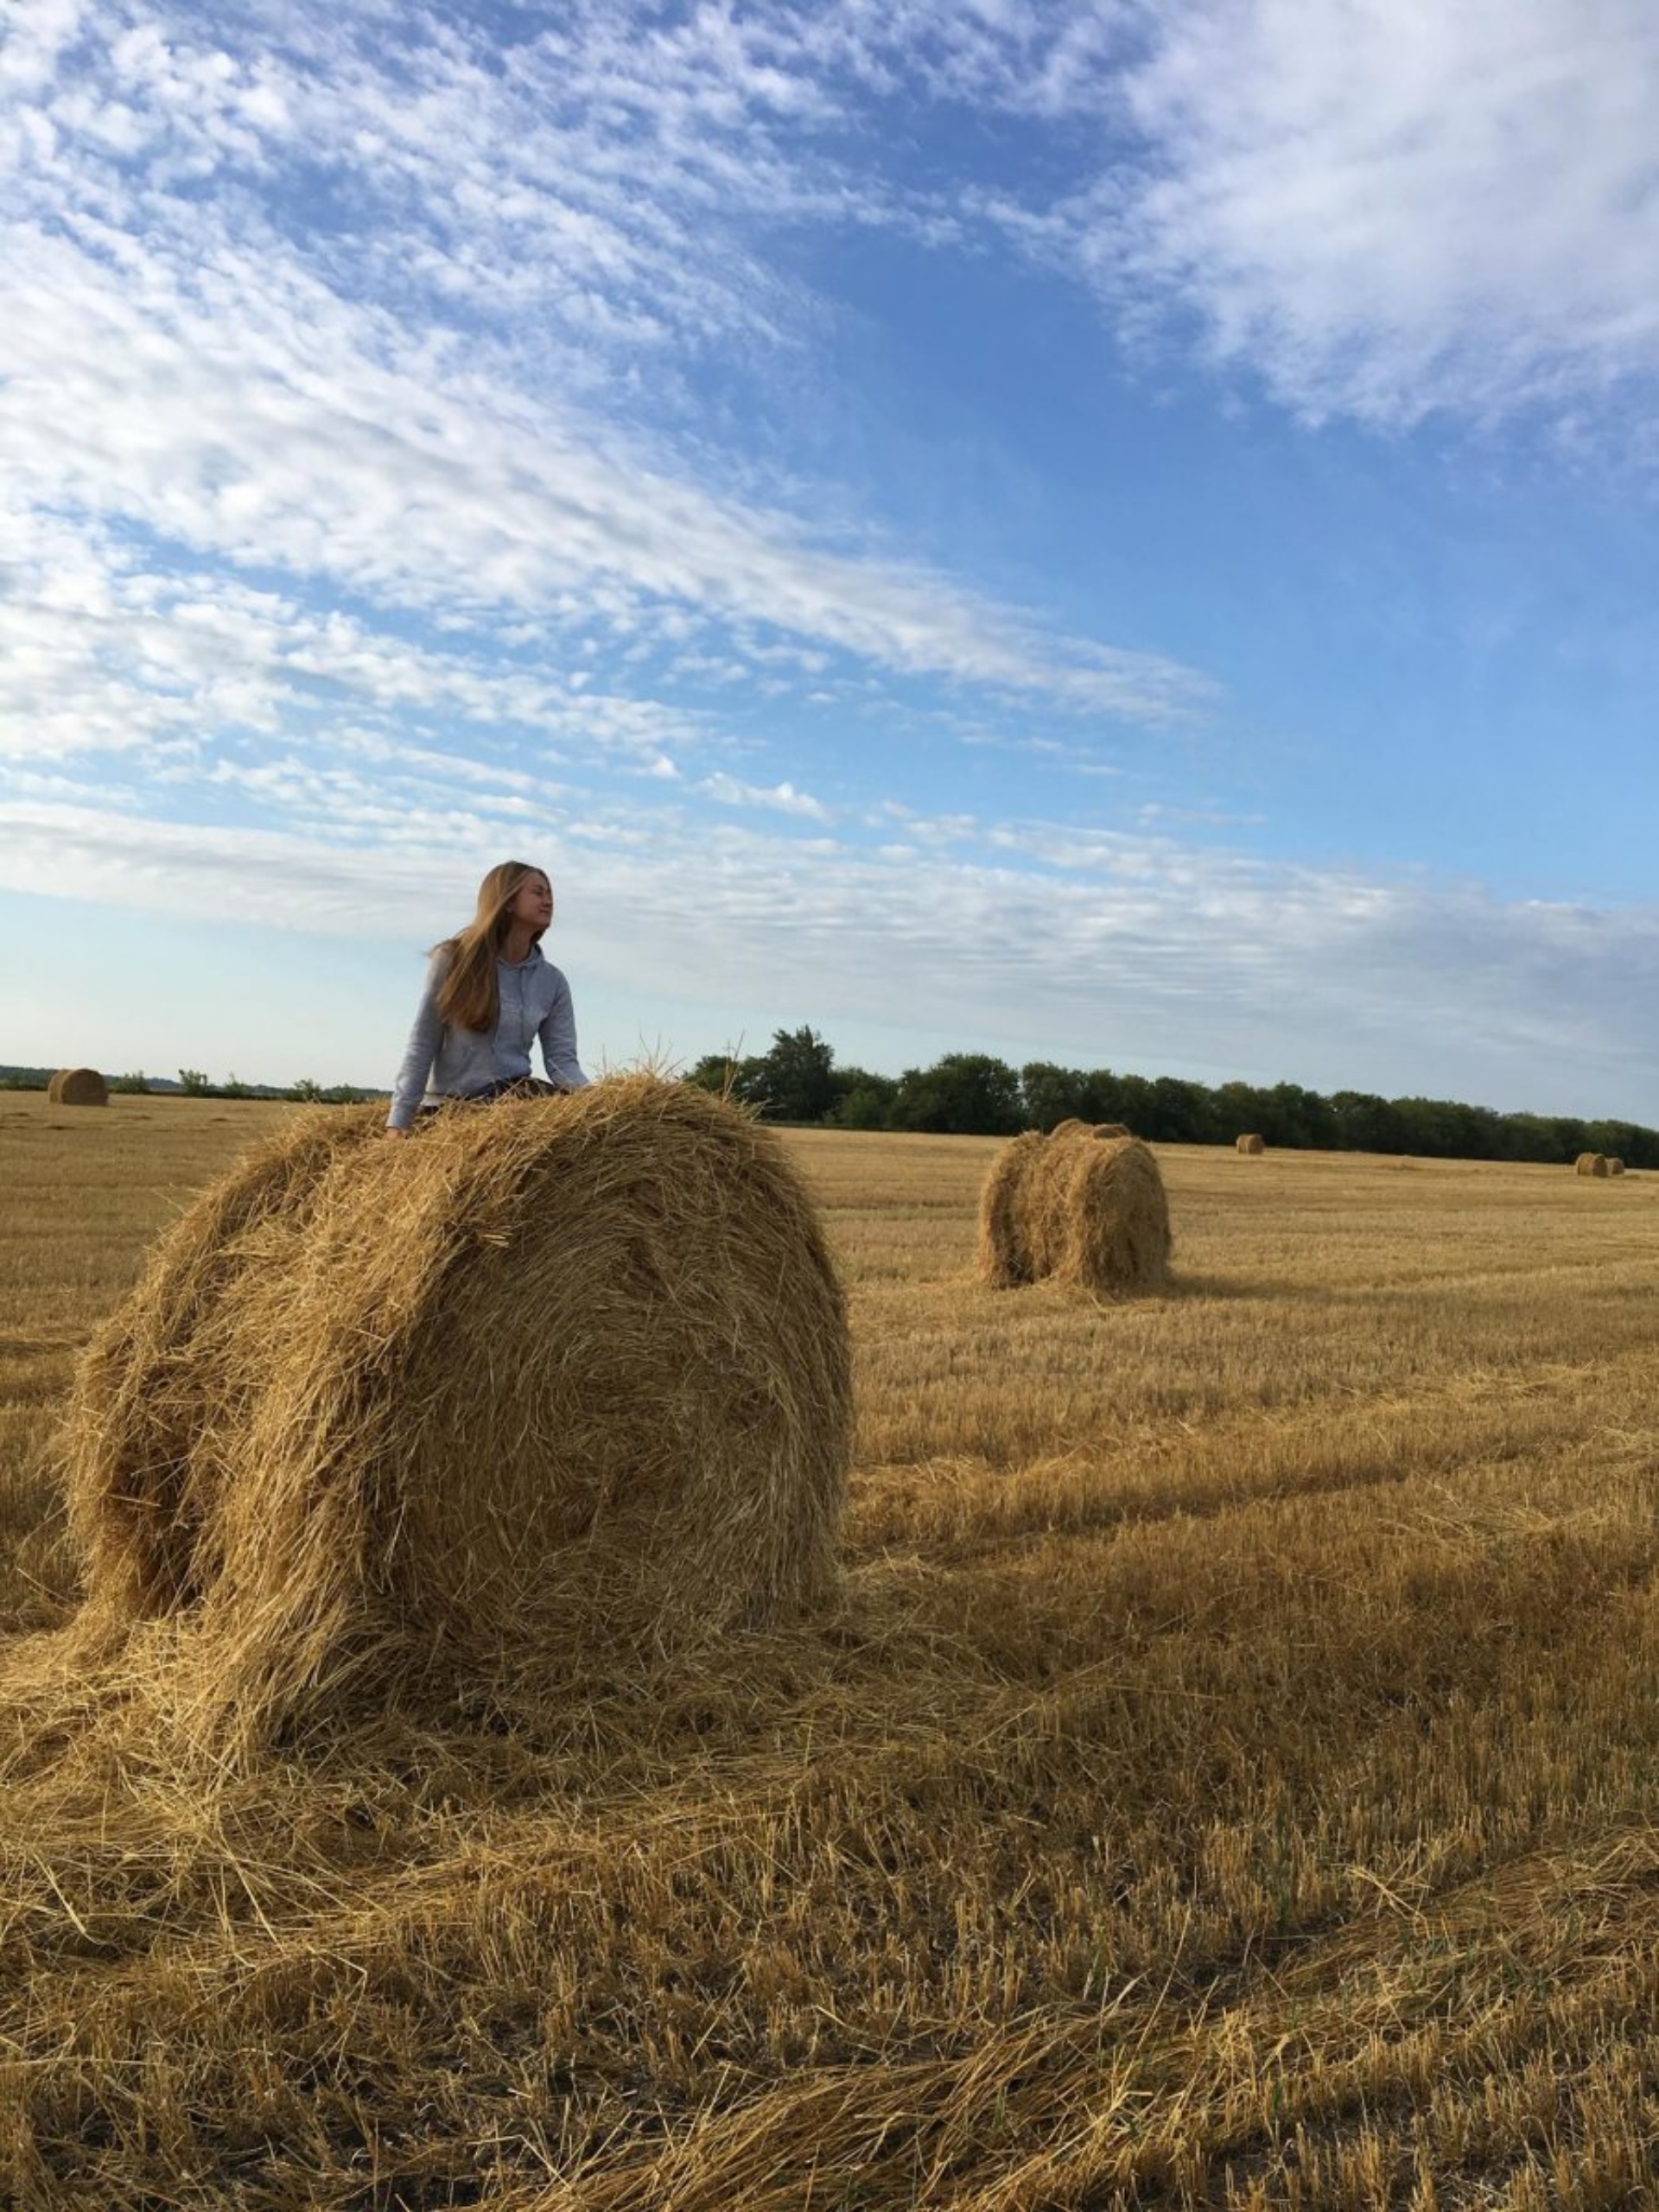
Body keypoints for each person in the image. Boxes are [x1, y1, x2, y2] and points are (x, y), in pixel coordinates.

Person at [385, 861, 589, 1135]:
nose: (548, 900)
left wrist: (599, 1103)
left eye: (550, 894)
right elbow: (423, 1041)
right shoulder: (454, 960)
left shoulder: (553, 982)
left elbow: (562, 1062)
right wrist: (399, 1120)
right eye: (538, 892)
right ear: (507, 901)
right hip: (453, 1107)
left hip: (513, 1102)